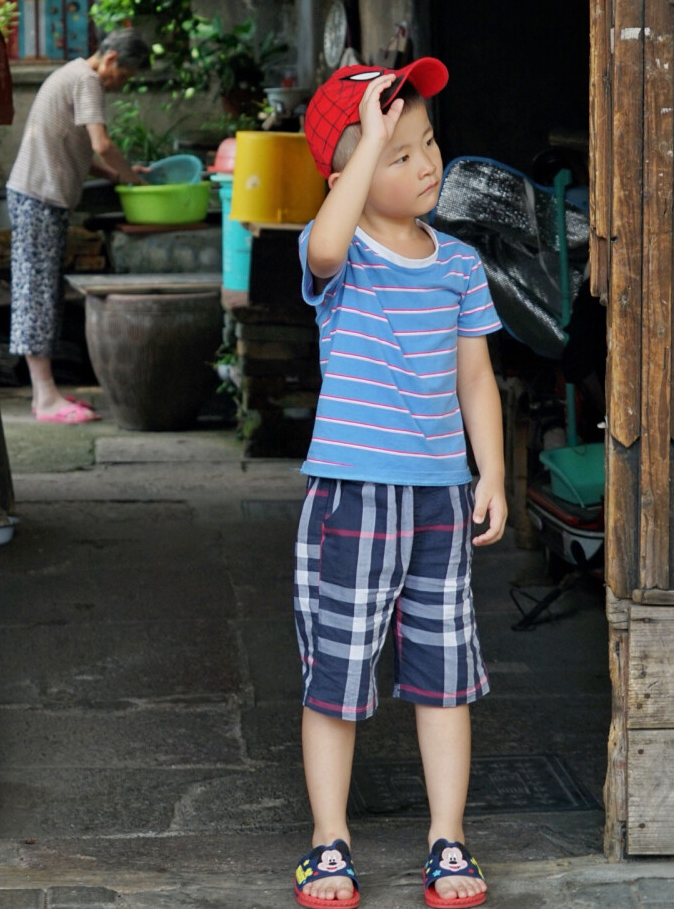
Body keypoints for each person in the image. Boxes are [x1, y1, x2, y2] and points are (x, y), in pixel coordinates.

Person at [292, 60, 506, 909]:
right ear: (346, 176)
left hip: (438, 499)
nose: (427, 163)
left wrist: (490, 471)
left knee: (444, 672)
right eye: (399, 150)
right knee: (338, 674)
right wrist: (364, 145)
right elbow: (322, 243)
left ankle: (447, 838)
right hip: (353, 494)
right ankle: (328, 840)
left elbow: (477, 380)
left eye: (428, 143)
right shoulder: (345, 262)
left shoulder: (458, 263)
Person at [7, 29, 150, 424]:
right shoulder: (87, 81)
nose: (122, 85)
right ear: (112, 60)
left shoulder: (71, 74)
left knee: (40, 290)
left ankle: (44, 393)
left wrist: (119, 175)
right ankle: (45, 398)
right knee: (36, 293)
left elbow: (83, 154)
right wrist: (134, 181)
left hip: (36, 197)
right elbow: (101, 143)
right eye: (125, 76)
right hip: (39, 198)